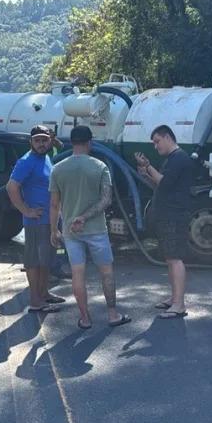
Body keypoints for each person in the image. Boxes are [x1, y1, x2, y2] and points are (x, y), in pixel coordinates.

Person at [49, 126, 131, 330]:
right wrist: (84, 217)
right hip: (96, 230)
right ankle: (113, 315)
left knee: (78, 274)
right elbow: (106, 200)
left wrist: (53, 230)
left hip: (70, 231)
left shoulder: (58, 168)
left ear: (72, 142)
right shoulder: (100, 166)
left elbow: (54, 205)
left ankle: (85, 319)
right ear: (90, 142)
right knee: (107, 273)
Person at [135, 125, 195, 319]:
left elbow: (166, 182)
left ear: (167, 137)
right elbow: (160, 186)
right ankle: (174, 298)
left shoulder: (179, 158)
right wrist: (145, 173)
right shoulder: (171, 159)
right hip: (166, 214)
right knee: (170, 258)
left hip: (175, 215)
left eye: (157, 141)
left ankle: (179, 304)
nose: (155, 146)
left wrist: (149, 166)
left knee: (175, 258)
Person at [6, 126, 66, 314]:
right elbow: (11, 187)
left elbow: (59, 147)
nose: (41, 143)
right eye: (37, 140)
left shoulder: (46, 156)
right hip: (36, 221)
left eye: (44, 140)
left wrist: (55, 142)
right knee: (34, 261)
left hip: (50, 219)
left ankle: (44, 293)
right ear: (30, 142)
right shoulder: (26, 161)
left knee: (46, 259)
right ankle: (35, 301)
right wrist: (26, 210)